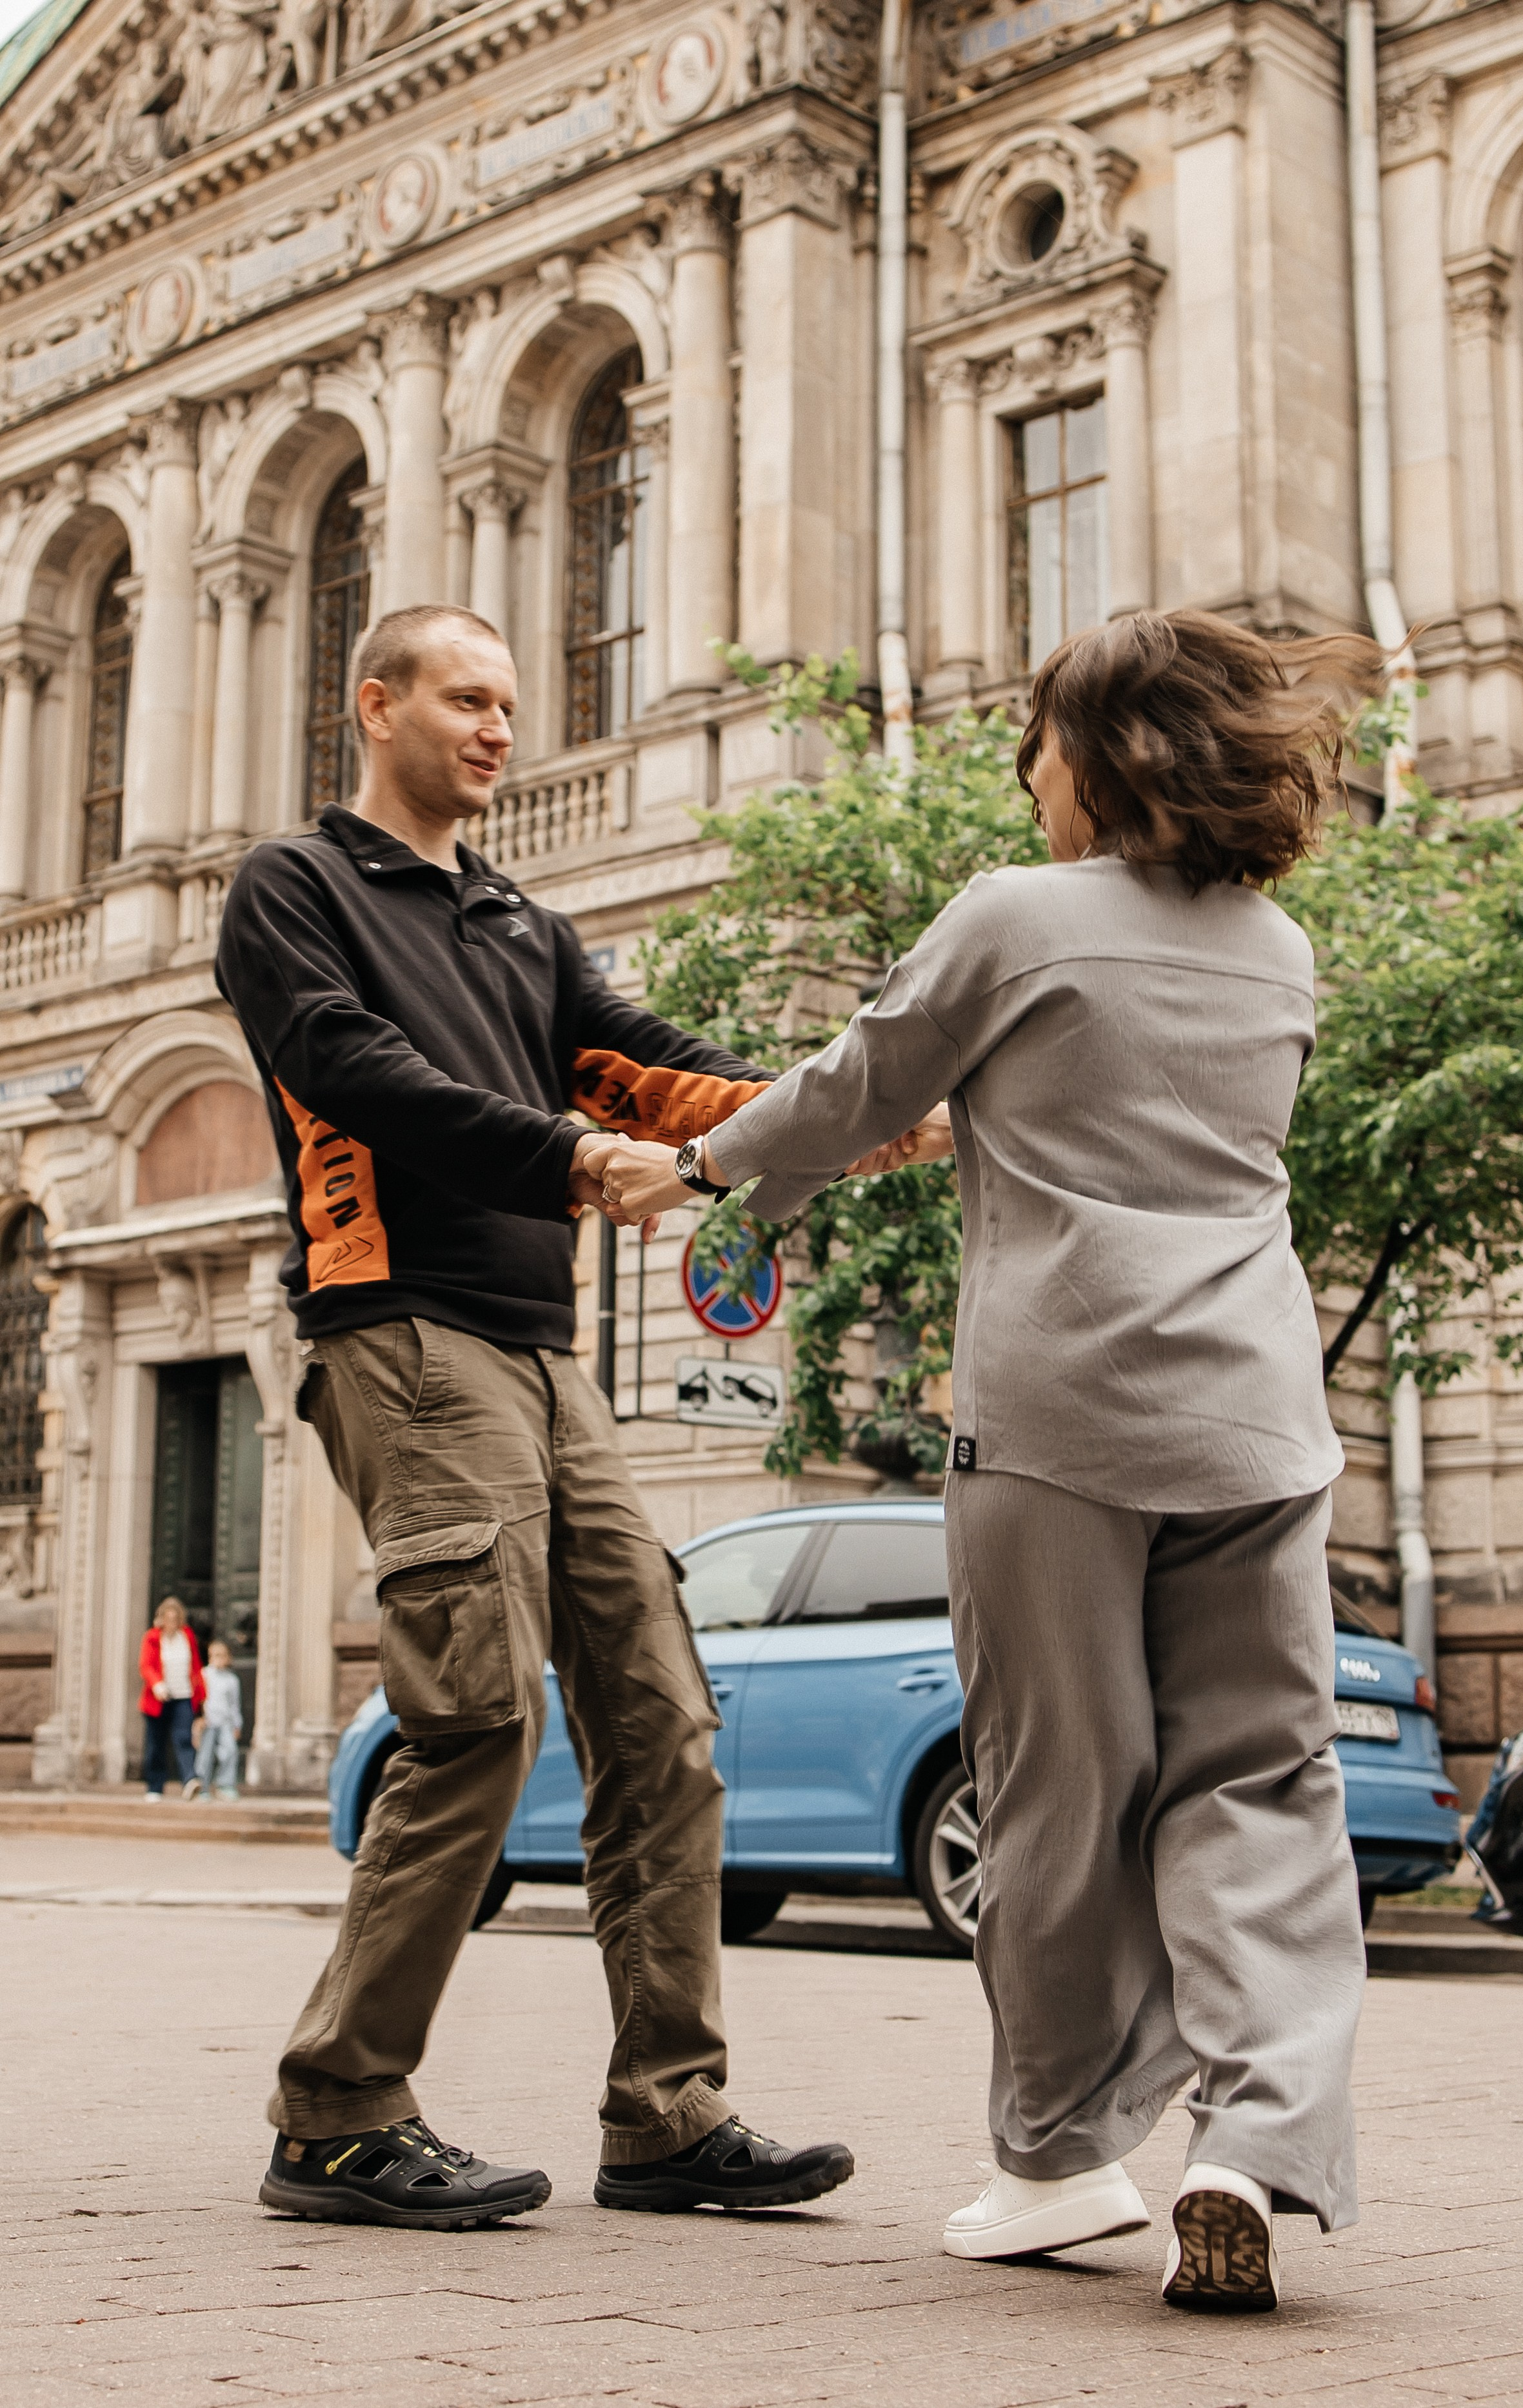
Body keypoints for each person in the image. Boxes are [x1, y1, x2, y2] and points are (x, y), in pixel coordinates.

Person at [601, 608, 1386, 2312]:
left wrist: (702, 1171)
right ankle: (1255, 2134)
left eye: (1032, 744)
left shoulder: (1014, 913)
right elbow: (1122, 1105)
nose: (1022, 775)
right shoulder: (1279, 948)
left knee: (1056, 1785)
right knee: (1262, 1782)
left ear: (1095, 756)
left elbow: (855, 1079)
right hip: (1258, 1406)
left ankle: (1054, 2157)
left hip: (1058, 1414)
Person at [215, 601, 853, 2233]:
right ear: (377, 706)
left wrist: (841, 1111)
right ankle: (339, 2113)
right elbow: (345, 1066)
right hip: (402, 1331)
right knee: (478, 1715)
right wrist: (568, 1161)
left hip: (541, 1354)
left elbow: (639, 1067)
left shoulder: (514, 915)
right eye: (466, 698)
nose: (501, 727)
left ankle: (666, 2114)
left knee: (660, 1715)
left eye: (510, 703)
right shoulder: (298, 889)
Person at [139, 1597, 206, 1802]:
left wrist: (202, 1694)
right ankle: (155, 1786)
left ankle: (189, 1780)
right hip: (159, 1699)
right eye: (168, 1618)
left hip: (183, 1696)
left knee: (184, 1739)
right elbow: (146, 1665)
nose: (172, 1622)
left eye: (175, 1618)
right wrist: (157, 1683)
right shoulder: (152, 1637)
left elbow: (195, 1665)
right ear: (161, 1618)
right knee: (156, 1744)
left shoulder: (187, 1636)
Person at [187, 1639, 243, 1800]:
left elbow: (234, 1704)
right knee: (205, 1755)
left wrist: (237, 1724)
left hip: (225, 1722)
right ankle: (203, 1787)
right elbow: (199, 1699)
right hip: (208, 1721)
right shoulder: (204, 1675)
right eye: (215, 1655)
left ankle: (225, 1784)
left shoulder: (232, 1680)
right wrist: (198, 1719)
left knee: (230, 1751)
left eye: (222, 1656)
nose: (219, 1659)